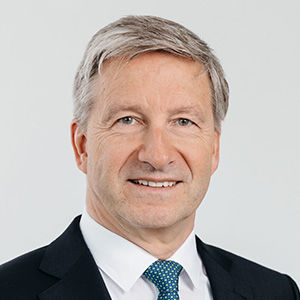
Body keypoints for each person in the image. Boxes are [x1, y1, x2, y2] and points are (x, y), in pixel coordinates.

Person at [0, 15, 299, 300]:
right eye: (128, 120)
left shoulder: (276, 292)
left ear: (213, 150)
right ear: (82, 146)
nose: (157, 156)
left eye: (183, 122)